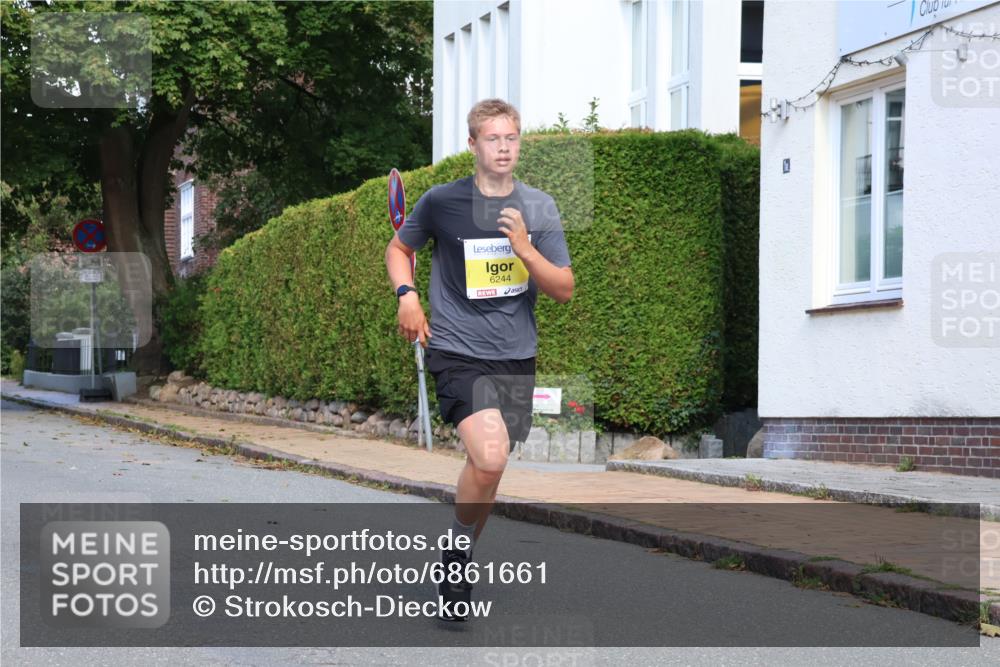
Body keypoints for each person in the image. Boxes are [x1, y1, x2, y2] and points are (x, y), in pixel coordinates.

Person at [384, 98, 574, 621]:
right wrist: (407, 295)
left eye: (511, 138)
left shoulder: (539, 207)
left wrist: (526, 250)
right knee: (489, 457)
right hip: (456, 349)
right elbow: (399, 249)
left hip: (515, 355)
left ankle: (458, 551)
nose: (504, 148)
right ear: (473, 144)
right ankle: (458, 558)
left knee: (488, 469)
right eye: (493, 139)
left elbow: (563, 289)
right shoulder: (442, 202)